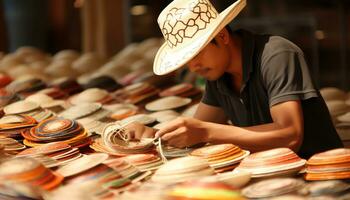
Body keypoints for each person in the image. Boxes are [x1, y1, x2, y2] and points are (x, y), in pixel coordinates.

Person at [126, 0, 343, 158]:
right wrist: (153, 134)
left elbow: (290, 135)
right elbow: (196, 129)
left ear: (222, 36)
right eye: (187, 59)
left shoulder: (277, 55)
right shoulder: (218, 74)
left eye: (197, 53)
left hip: (320, 174)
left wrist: (206, 132)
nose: (193, 66)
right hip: (264, 173)